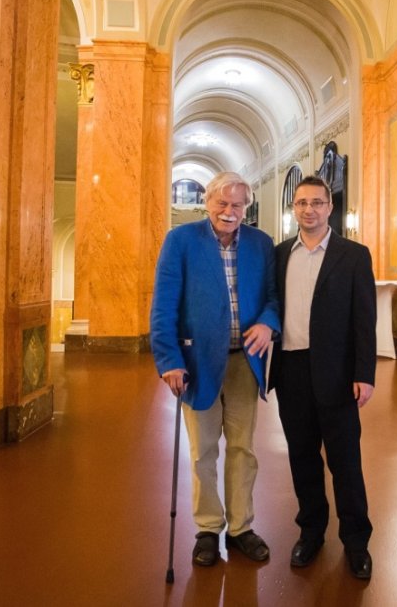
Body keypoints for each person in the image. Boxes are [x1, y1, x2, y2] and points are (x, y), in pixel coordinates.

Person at [150, 171, 280, 567]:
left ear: (246, 207)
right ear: (207, 202)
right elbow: (164, 305)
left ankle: (241, 528)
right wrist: (170, 360)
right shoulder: (181, 241)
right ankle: (208, 528)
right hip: (198, 363)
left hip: (244, 362)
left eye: (237, 204)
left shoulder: (261, 243)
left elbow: (274, 297)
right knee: (202, 451)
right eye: (222, 203)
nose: (229, 211)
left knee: (243, 449)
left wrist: (268, 323)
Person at [269, 175, 377, 580]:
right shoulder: (280, 255)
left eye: (317, 202)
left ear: (330, 208)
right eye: (301, 203)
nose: (309, 209)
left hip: (337, 373)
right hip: (291, 370)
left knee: (345, 461)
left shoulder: (354, 255)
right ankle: (311, 532)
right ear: (293, 208)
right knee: (302, 457)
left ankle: (356, 541)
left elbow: (365, 320)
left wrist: (364, 373)